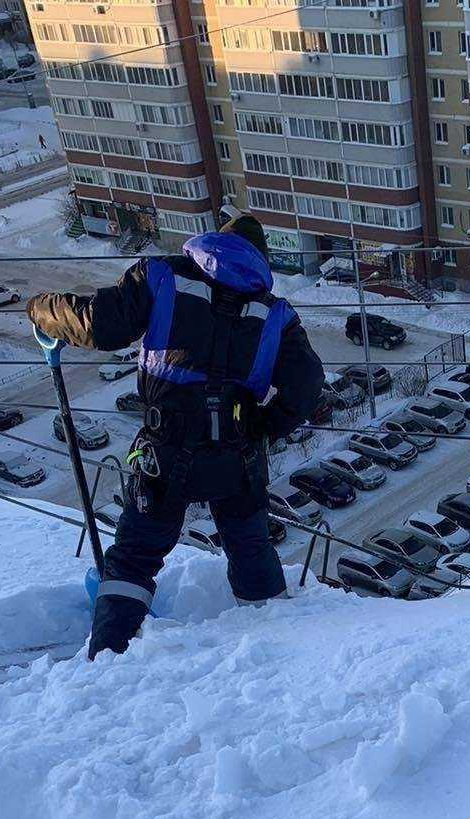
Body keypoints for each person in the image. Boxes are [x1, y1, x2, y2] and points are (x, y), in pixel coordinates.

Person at [26, 213, 325, 660]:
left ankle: (106, 659)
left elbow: (97, 324)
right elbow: (305, 388)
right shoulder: (277, 316)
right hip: (235, 455)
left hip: (165, 451)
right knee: (249, 545)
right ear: (260, 260)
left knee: (134, 557)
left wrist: (43, 309)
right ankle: (275, 645)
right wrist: (263, 426)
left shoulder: (162, 276)